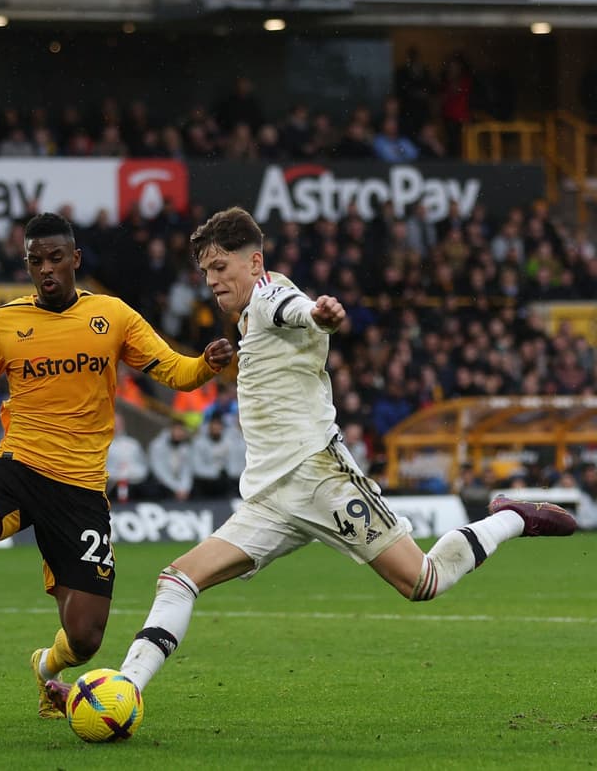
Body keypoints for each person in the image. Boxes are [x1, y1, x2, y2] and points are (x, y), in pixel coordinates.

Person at [45, 206, 577, 711]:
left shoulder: (271, 298)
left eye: (220, 266)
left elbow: (300, 311)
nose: (211, 279)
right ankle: (121, 691)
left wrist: (321, 313)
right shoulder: (247, 318)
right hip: (271, 496)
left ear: (254, 262)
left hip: (322, 479)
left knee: (424, 582)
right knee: (177, 577)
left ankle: (510, 517)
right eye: (206, 270)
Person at [0, 212, 233, 716]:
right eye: (36, 260)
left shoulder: (113, 315)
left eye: (56, 258)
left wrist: (206, 365)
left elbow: (173, 370)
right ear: (26, 264)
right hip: (19, 465)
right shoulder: (4, 322)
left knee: (84, 639)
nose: (47, 269)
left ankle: (45, 667)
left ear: (75, 260)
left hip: (81, 489)